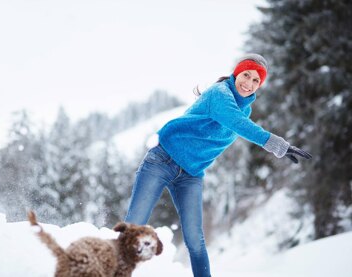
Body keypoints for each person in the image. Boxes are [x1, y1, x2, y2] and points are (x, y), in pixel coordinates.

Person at [124, 53, 312, 277]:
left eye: (256, 81)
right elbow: (236, 122)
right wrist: (276, 144)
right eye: (246, 75)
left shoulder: (246, 109)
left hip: (191, 174)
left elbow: (237, 122)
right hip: (163, 159)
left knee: (196, 240)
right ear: (236, 73)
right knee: (133, 227)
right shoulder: (219, 93)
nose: (249, 83)